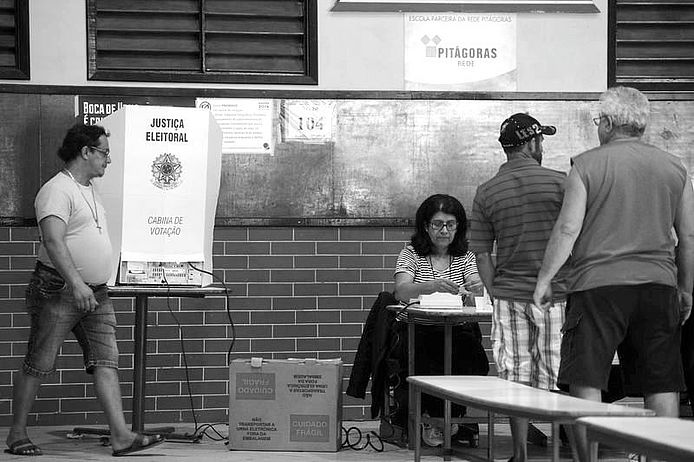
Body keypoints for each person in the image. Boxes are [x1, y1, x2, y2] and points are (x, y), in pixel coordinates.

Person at [534, 86, 694, 462]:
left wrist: (545, 279)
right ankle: (662, 458)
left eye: (597, 121)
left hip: (598, 287)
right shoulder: (675, 168)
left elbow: (567, 229)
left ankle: (587, 460)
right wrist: (685, 288)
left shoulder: (586, 165)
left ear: (606, 122)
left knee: (587, 379)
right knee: (661, 382)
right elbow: (687, 235)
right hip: (658, 286)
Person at [4, 124, 165, 457]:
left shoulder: (89, 190)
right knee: (39, 361)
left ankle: (120, 436)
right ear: (85, 151)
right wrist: (76, 283)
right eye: (104, 152)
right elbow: (53, 240)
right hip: (59, 289)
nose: (108, 159)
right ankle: (16, 434)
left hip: (96, 293)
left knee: (107, 360)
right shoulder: (56, 190)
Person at [469, 113, 568, 462]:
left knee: (514, 377)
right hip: (554, 296)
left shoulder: (486, 192)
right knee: (557, 373)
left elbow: (481, 253)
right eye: (541, 140)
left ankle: (521, 454)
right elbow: (576, 237)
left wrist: (497, 292)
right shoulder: (561, 183)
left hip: (509, 296)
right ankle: (558, 451)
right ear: (532, 142)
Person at [394, 193, 489, 447]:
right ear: (426, 226)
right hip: (419, 330)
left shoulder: (466, 256)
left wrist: (476, 288)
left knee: (475, 362)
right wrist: (430, 286)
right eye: (437, 224)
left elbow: (475, 292)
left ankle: (454, 414)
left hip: (458, 329)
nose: (444, 230)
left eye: (450, 224)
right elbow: (401, 290)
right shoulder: (411, 253)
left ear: (459, 227)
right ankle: (430, 417)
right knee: (426, 362)